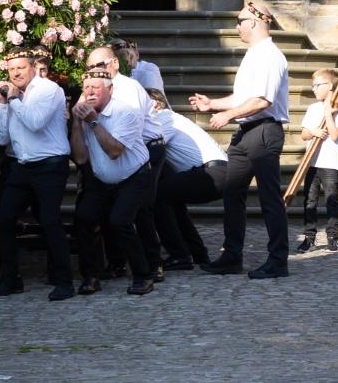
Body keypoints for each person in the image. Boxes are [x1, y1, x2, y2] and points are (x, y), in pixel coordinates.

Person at [188, 1, 293, 278]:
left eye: (240, 20)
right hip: (246, 133)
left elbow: (262, 100)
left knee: (269, 198)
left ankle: (278, 260)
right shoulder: (254, 55)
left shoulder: (270, 55)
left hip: (264, 132)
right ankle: (232, 256)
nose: (237, 26)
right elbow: (243, 97)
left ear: (256, 22)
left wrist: (228, 115)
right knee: (232, 194)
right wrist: (213, 105)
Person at [0, 49, 76, 301]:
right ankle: (11, 279)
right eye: (11, 69)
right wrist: (2, 106)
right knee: (1, 218)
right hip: (22, 165)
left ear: (33, 67)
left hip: (49, 164)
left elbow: (35, 122)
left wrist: (13, 101)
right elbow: (1, 138)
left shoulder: (47, 89)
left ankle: (65, 281)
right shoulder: (12, 97)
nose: (15, 73)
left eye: (20, 68)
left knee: (50, 219)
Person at [66, 61, 159, 296]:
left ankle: (143, 274)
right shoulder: (85, 115)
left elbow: (114, 150)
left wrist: (92, 122)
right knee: (84, 217)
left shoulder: (124, 111)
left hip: (134, 176)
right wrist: (77, 123)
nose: (89, 92)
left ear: (110, 90)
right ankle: (90, 276)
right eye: (86, 88)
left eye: (95, 87)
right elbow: (80, 158)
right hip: (102, 179)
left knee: (120, 221)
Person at [84, 43, 167, 282]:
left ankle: (153, 263)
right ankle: (118, 262)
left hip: (145, 147)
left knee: (141, 209)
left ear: (114, 64)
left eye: (98, 65)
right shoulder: (95, 89)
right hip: (114, 147)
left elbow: (129, 130)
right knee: (111, 209)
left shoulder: (127, 88)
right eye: (89, 67)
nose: (94, 70)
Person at [149, 92, 231, 270]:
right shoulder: (173, 118)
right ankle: (197, 253)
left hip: (212, 172)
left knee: (158, 196)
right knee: (172, 197)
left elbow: (147, 144)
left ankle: (179, 255)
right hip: (217, 171)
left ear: (155, 105)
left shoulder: (163, 118)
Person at [296, 67, 338, 253]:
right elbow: (303, 135)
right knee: (310, 201)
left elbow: (334, 135)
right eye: (313, 86)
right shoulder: (312, 109)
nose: (313, 89)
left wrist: (328, 113)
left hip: (329, 163)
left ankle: (332, 237)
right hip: (312, 162)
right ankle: (309, 238)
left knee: (331, 200)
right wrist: (313, 132)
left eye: (317, 85)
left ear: (329, 86)